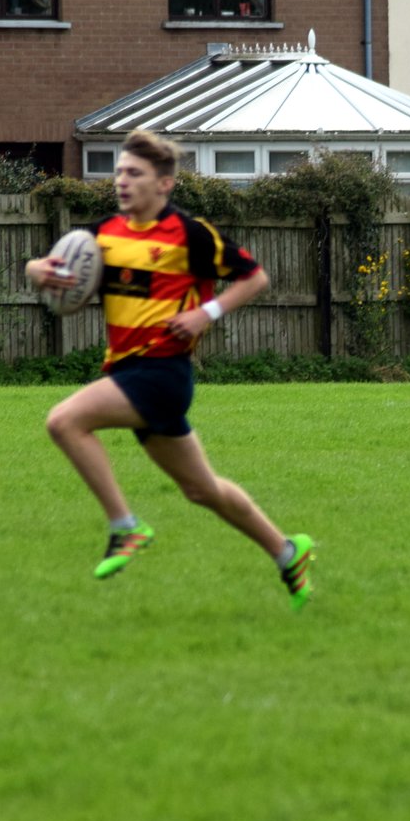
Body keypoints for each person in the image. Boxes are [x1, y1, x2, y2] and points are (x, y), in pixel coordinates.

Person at [24, 129, 314, 608]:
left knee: (65, 421)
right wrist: (36, 270)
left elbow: (255, 278)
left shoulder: (191, 234)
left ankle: (125, 526)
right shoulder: (103, 235)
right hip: (126, 372)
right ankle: (287, 552)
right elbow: (51, 267)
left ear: (164, 184)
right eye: (119, 171)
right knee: (202, 489)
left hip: (162, 373)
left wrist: (206, 313)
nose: (121, 181)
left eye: (134, 173)